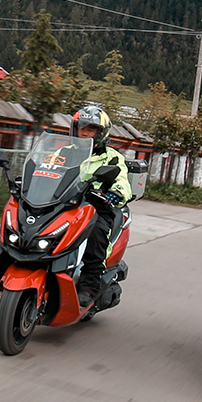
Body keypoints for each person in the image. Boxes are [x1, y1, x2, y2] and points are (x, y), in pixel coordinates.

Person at [67, 103, 134, 307]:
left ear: (101, 133)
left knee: (96, 233)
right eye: (82, 127)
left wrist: (116, 192)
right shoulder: (64, 152)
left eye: (91, 129)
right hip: (65, 203)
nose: (85, 133)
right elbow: (48, 168)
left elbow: (123, 181)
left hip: (96, 206)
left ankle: (89, 286)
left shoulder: (112, 157)